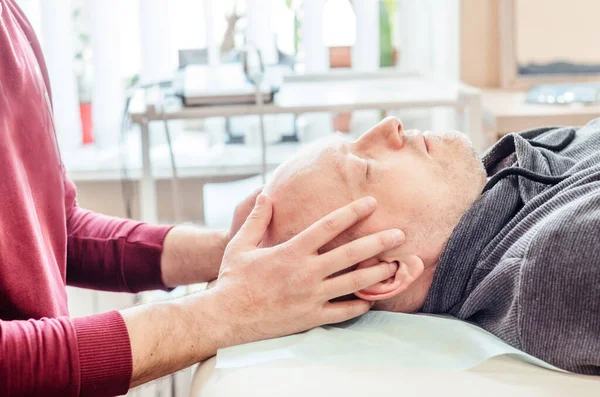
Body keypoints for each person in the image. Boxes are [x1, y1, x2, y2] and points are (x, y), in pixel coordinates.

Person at [0, 1, 411, 396]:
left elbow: (53, 228)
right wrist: (230, 311)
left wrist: (239, 252)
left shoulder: (11, 23)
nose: (391, 126)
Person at [261, 116, 600, 375]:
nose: (389, 125)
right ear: (385, 274)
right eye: (364, 167)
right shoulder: (558, 259)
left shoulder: (495, 181)